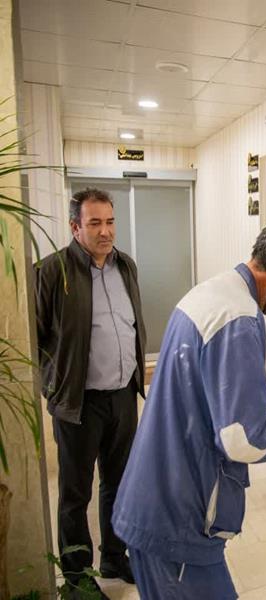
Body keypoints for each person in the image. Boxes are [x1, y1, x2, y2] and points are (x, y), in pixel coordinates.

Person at [111, 216, 266, 599]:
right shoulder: (238, 320)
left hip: (153, 502)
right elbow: (244, 441)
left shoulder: (211, 293)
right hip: (177, 523)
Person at [36, 188, 147, 599]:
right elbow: (35, 336)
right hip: (79, 403)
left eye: (110, 222)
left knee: (119, 484)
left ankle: (114, 556)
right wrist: (55, 387)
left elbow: (131, 325)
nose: (105, 231)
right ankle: (77, 578)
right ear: (75, 227)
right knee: (75, 494)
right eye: (95, 223)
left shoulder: (126, 266)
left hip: (122, 396)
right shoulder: (52, 271)